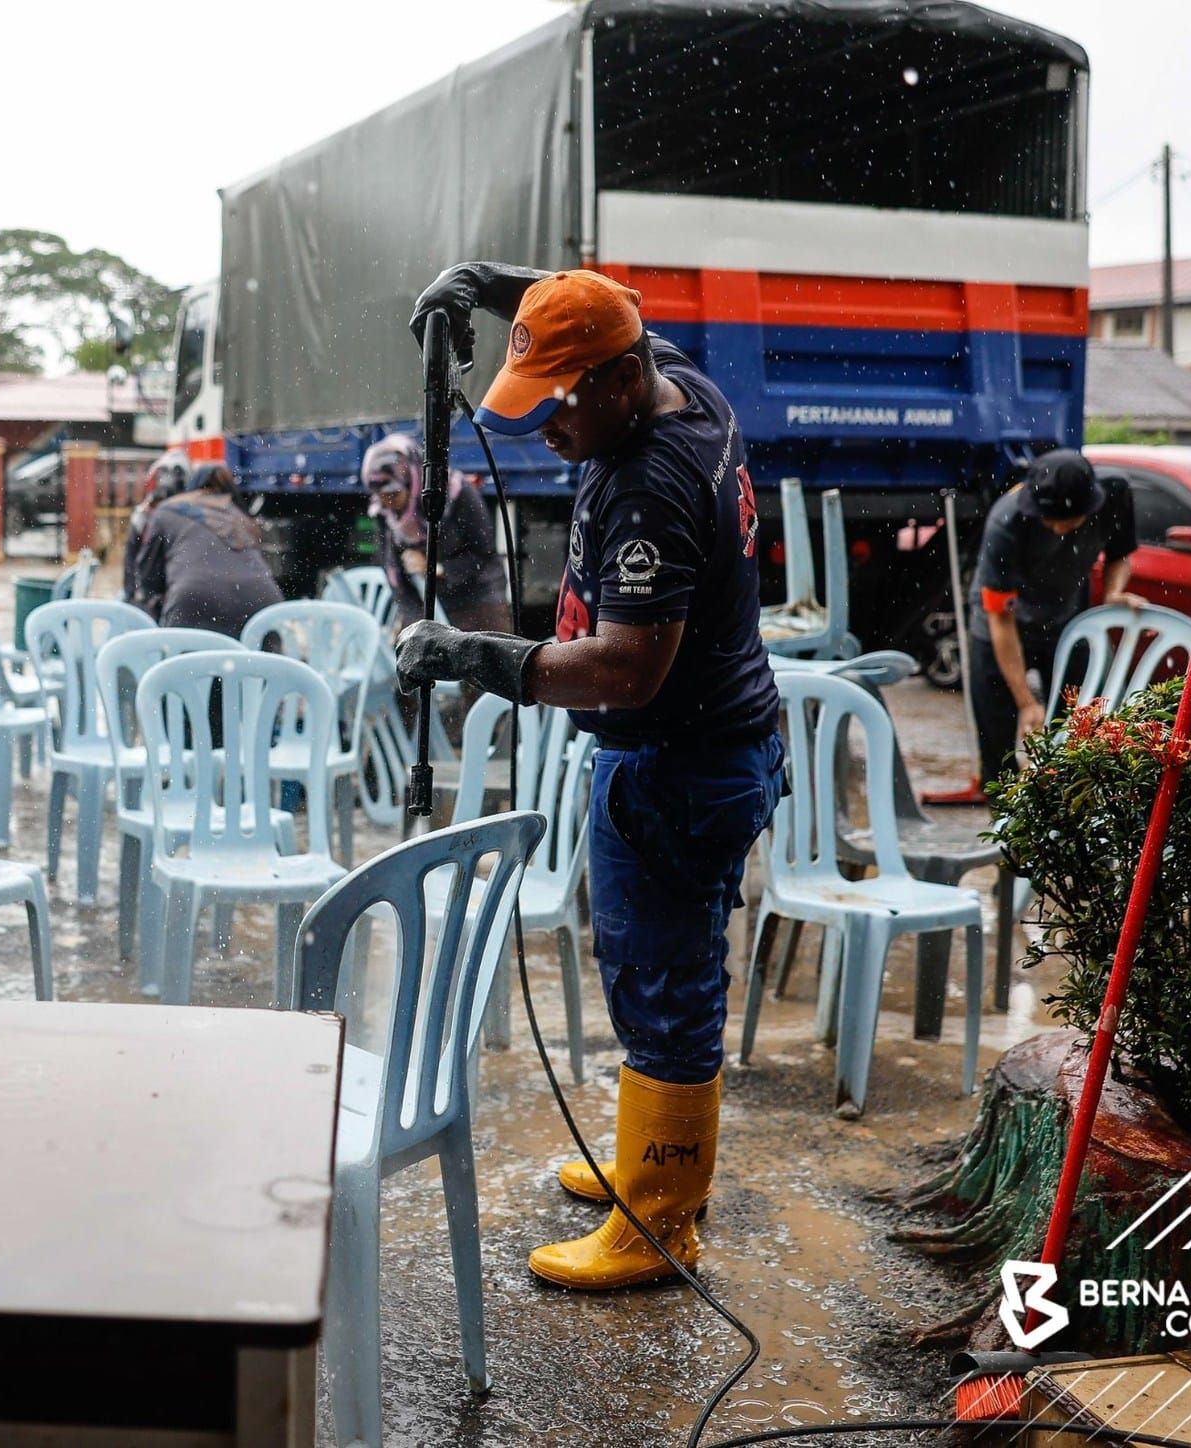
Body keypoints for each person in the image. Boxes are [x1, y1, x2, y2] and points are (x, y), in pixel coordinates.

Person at [397, 265, 782, 1292]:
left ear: (618, 379)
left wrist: (475, 656)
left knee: (663, 980)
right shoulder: (681, 381)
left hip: (676, 760)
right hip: (708, 744)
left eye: (557, 402)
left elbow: (623, 667)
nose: (540, 429)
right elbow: (603, 298)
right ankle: (650, 1159)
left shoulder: (648, 484)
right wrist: (490, 287)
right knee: (655, 965)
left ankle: (656, 1222)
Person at [969, 448, 1138, 785]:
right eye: (1051, 520)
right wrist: (1026, 701)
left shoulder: (1115, 494)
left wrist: (1113, 592)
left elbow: (1120, 555)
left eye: (1070, 520)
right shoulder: (1005, 523)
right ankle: (1005, 819)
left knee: (1077, 734)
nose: (1060, 529)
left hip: (1066, 625)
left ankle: (1062, 812)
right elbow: (1000, 618)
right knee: (998, 745)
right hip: (1001, 628)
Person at [360, 432, 510, 634]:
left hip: (478, 599)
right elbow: (393, 570)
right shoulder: (384, 512)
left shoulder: (458, 495)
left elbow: (484, 554)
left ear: (412, 482)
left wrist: (436, 568)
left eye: (393, 494)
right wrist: (413, 622)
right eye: (381, 496)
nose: (388, 502)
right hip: (431, 601)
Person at [132, 461, 282, 637]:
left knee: (186, 664)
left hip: (193, 601)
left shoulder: (168, 510)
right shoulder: (238, 515)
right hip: (264, 604)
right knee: (261, 664)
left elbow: (147, 577)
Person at [123, 453, 189, 606]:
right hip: (160, 596)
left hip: (160, 596)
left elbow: (133, 569)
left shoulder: (144, 516)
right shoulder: (143, 518)